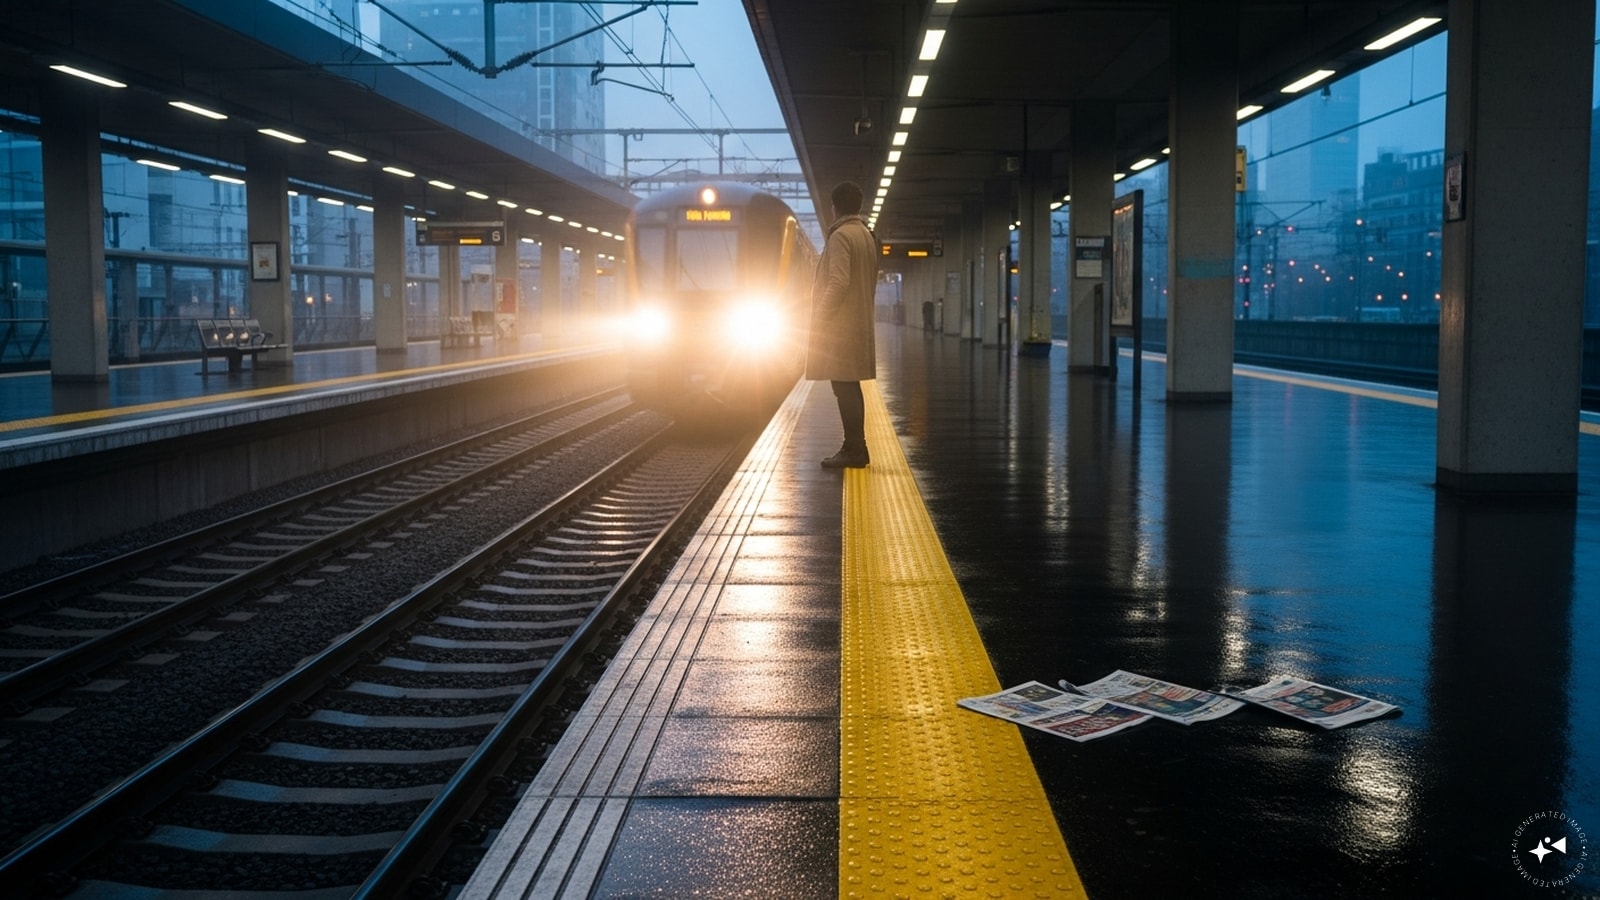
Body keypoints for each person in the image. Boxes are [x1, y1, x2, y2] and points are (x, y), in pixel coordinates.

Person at [805, 180, 878, 469]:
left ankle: (855, 449)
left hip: (841, 327)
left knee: (844, 388)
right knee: (850, 385)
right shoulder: (865, 235)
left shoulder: (841, 236)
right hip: (857, 323)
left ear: (834, 208)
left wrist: (819, 320)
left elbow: (838, 282)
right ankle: (856, 447)